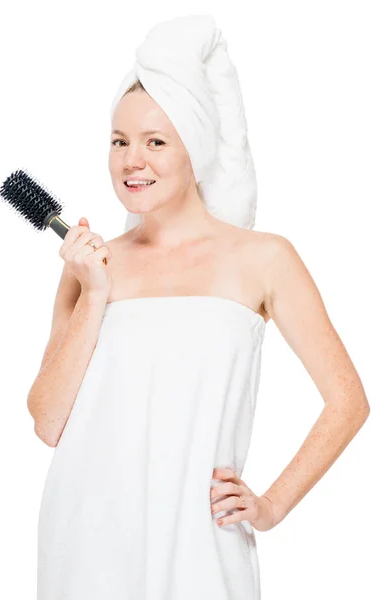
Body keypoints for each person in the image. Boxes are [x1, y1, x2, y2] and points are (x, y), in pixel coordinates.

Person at [28, 16, 370, 600]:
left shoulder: (264, 258)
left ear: (196, 149)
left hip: (202, 547)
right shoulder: (89, 263)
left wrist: (270, 506)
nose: (132, 160)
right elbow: (48, 422)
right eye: (119, 141)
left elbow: (348, 401)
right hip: (85, 540)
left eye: (156, 141)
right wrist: (95, 294)